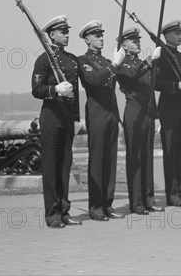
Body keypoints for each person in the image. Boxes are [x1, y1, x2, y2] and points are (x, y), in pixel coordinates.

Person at [32, 15, 82, 229]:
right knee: (51, 166)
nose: (67, 35)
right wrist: (55, 90)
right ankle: (52, 214)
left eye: (67, 31)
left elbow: (76, 92)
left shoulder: (72, 60)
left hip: (67, 117)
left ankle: (64, 210)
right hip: (51, 117)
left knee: (65, 165)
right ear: (51, 35)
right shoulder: (43, 60)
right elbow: (36, 89)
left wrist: (77, 118)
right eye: (62, 32)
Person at [78, 20, 125, 221]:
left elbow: (115, 87)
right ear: (87, 39)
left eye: (102, 35)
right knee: (97, 160)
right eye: (96, 36)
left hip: (111, 115)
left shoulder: (107, 61)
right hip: (96, 114)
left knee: (110, 160)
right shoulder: (83, 61)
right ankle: (96, 207)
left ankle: (107, 203)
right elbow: (95, 81)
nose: (101, 38)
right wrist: (114, 65)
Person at [116, 27, 165, 215]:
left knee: (147, 157)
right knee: (134, 157)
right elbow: (131, 75)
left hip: (147, 112)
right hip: (133, 110)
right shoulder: (123, 63)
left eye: (138, 40)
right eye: (133, 40)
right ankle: (136, 203)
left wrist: (156, 115)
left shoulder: (140, 63)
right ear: (124, 45)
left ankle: (148, 200)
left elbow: (150, 88)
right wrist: (149, 60)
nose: (137, 42)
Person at [155, 20, 181, 207]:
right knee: (171, 152)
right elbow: (156, 84)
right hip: (169, 109)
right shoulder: (160, 57)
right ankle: (172, 195)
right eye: (177, 33)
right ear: (167, 36)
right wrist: (177, 86)